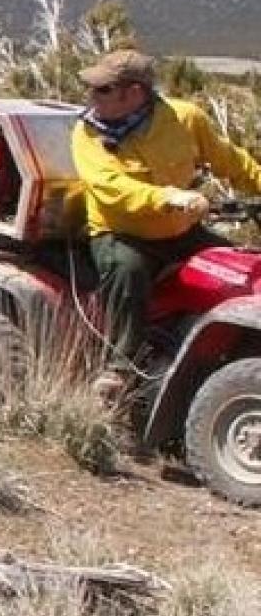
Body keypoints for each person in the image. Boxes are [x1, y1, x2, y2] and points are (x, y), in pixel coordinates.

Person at [71, 49, 261, 400]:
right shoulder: (87, 134)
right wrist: (171, 197)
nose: (92, 97)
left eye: (103, 90)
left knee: (237, 271)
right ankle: (120, 369)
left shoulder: (185, 119)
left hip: (180, 231)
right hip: (123, 234)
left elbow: (230, 161)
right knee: (126, 272)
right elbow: (111, 190)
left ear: (136, 92)